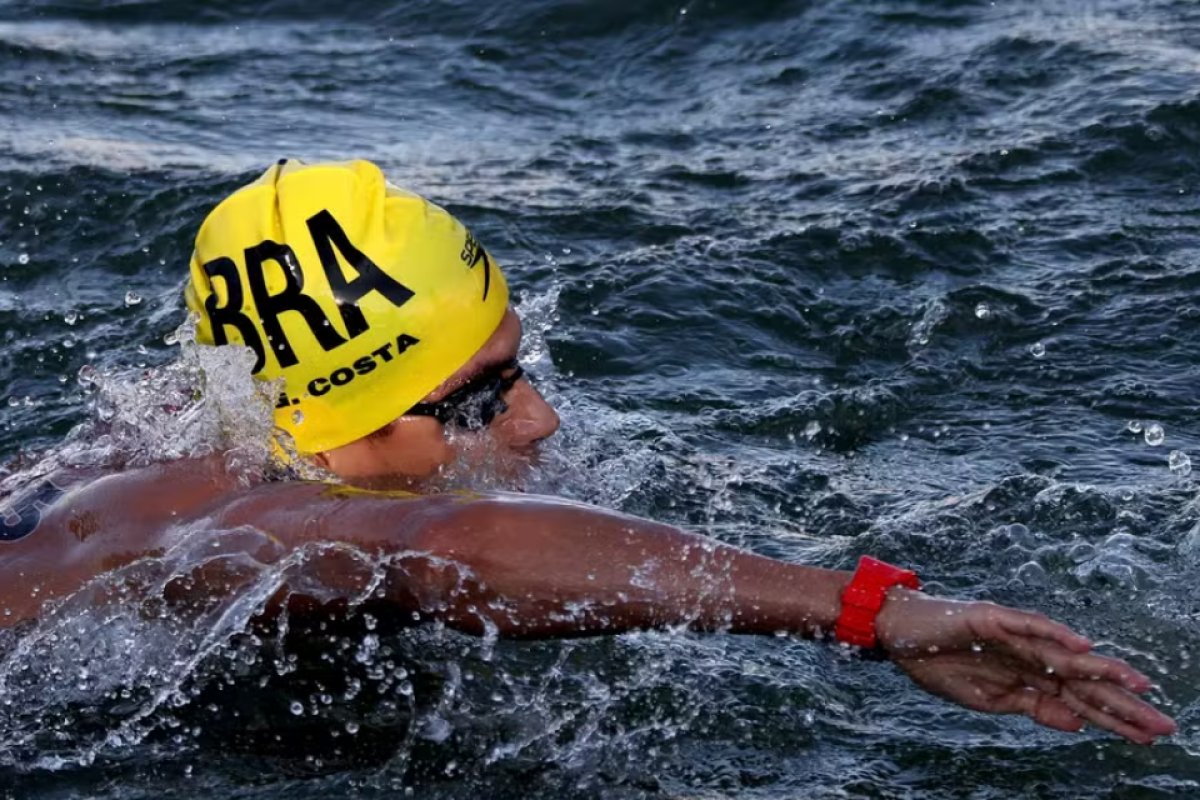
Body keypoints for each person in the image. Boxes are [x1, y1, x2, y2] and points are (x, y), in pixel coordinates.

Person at [0, 159, 1177, 746]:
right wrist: (870, 610)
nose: (540, 423)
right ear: (339, 429)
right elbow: (437, 543)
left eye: (521, 366)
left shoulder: (202, 406)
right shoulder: (235, 519)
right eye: (479, 398)